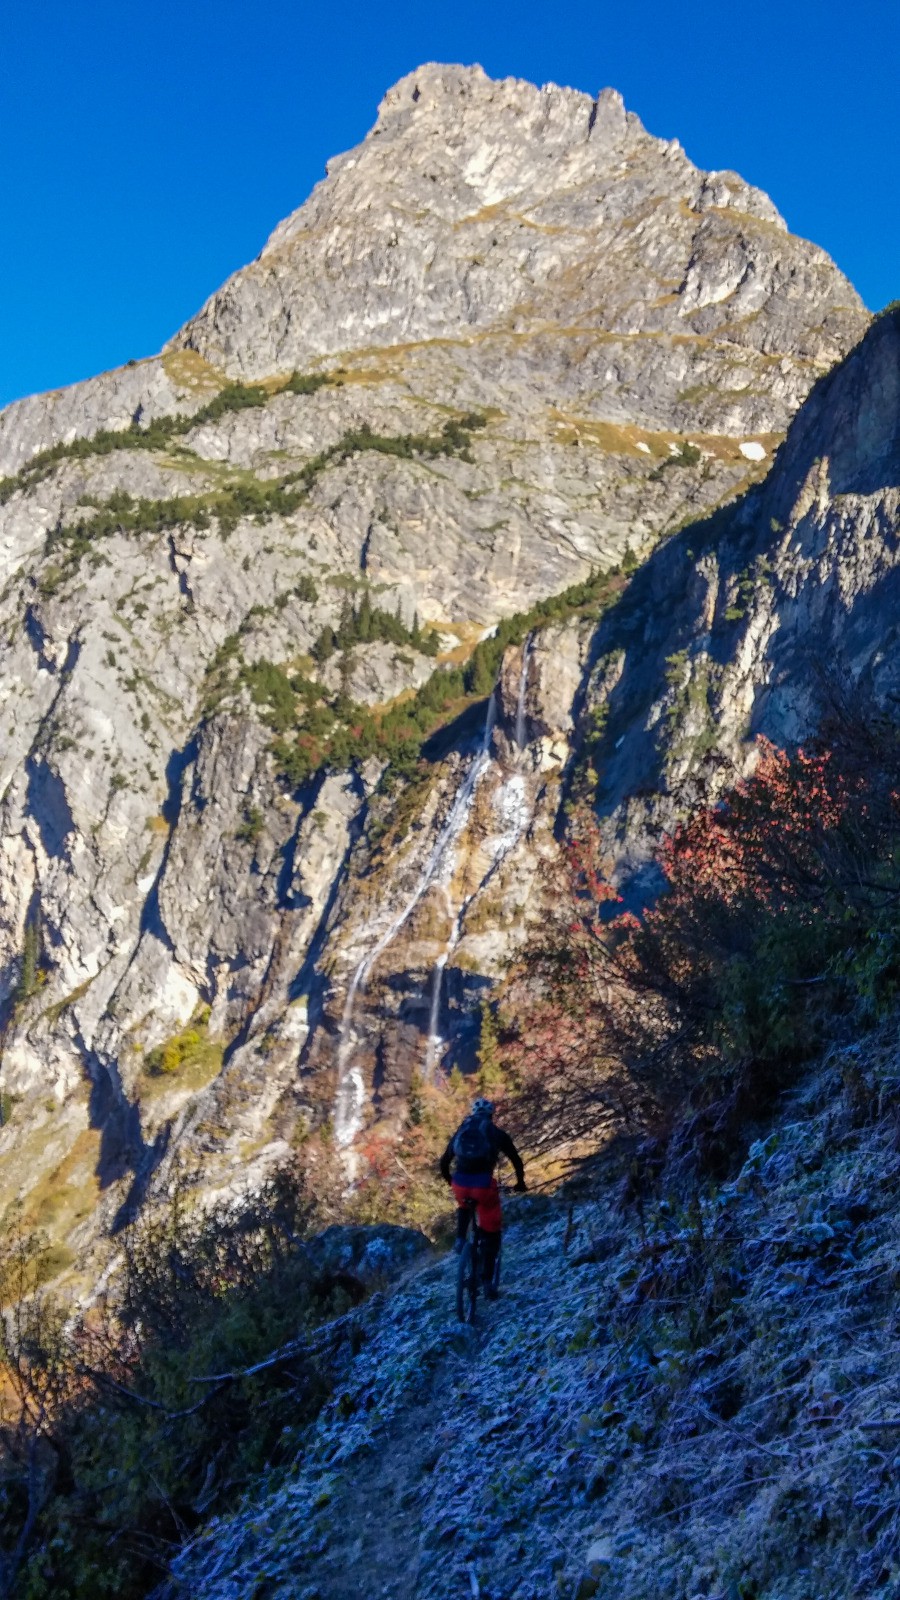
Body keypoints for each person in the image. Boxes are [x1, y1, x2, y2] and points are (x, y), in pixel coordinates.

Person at [439, 1097, 526, 1299]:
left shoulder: (462, 1130)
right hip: (483, 1187)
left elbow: (444, 1162)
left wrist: (450, 1181)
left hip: (460, 1184)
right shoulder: (496, 1133)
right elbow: (516, 1160)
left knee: (463, 1206)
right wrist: (520, 1183)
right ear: (490, 1114)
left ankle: (460, 1239)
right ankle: (487, 1282)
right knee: (492, 1233)